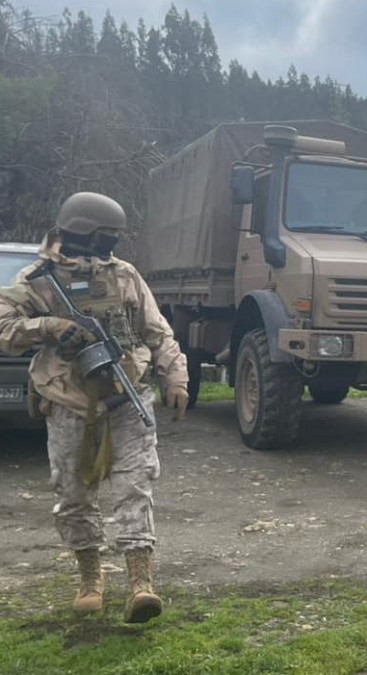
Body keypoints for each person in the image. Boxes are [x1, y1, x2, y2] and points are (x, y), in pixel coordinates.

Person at [0, 192, 188, 623]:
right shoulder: (37, 279)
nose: (112, 245)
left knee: (134, 487)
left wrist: (176, 374)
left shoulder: (123, 276)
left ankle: (141, 583)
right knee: (73, 494)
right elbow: (3, 325)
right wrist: (47, 326)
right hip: (68, 401)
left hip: (127, 396)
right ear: (84, 232)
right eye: (107, 236)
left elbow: (157, 332)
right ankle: (90, 578)